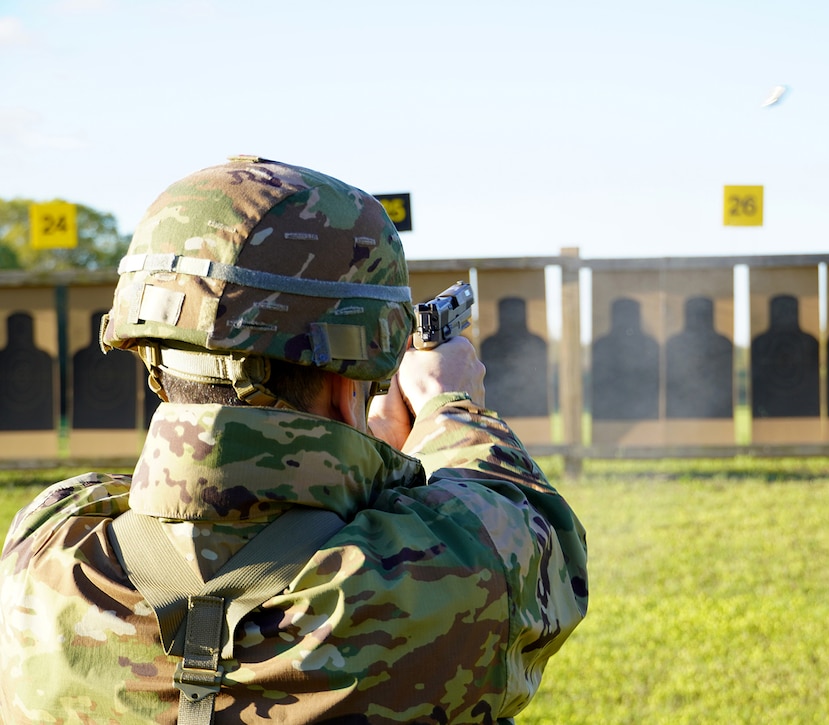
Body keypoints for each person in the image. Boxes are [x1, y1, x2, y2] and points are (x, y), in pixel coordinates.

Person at [0, 156, 589, 724]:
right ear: (342, 385)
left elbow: (201, 500)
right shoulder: (450, 579)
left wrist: (359, 440)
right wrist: (446, 404)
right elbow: (529, 531)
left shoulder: (44, 551)